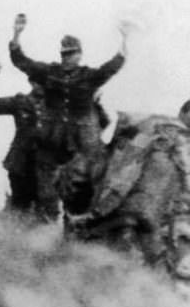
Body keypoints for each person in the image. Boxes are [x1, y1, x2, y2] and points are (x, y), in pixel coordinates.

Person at [9, 13, 129, 218]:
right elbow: (21, 61)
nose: (68, 58)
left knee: (80, 194)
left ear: (79, 55)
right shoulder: (49, 72)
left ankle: (75, 231)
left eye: (72, 53)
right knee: (46, 192)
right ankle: (48, 232)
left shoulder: (89, 77)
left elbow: (113, 66)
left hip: (81, 148)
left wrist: (124, 40)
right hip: (50, 143)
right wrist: (16, 35)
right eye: (65, 54)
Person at [0, 56, 47, 219]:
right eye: (37, 81)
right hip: (20, 163)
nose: (41, 85)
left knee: (44, 210)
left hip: (44, 165)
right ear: (31, 82)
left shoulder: (54, 107)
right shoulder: (20, 102)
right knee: (19, 208)